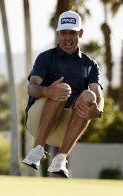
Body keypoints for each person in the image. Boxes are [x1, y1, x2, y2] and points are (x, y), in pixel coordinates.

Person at [22, 10, 104, 178]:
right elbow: (31, 87)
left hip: (66, 128)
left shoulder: (90, 65)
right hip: (38, 121)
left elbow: (97, 94)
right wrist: (47, 91)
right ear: (58, 33)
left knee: (89, 97)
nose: (68, 38)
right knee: (63, 89)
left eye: (72, 33)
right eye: (64, 33)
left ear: (80, 33)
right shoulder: (46, 58)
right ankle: (36, 150)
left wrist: (98, 111)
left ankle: (60, 159)